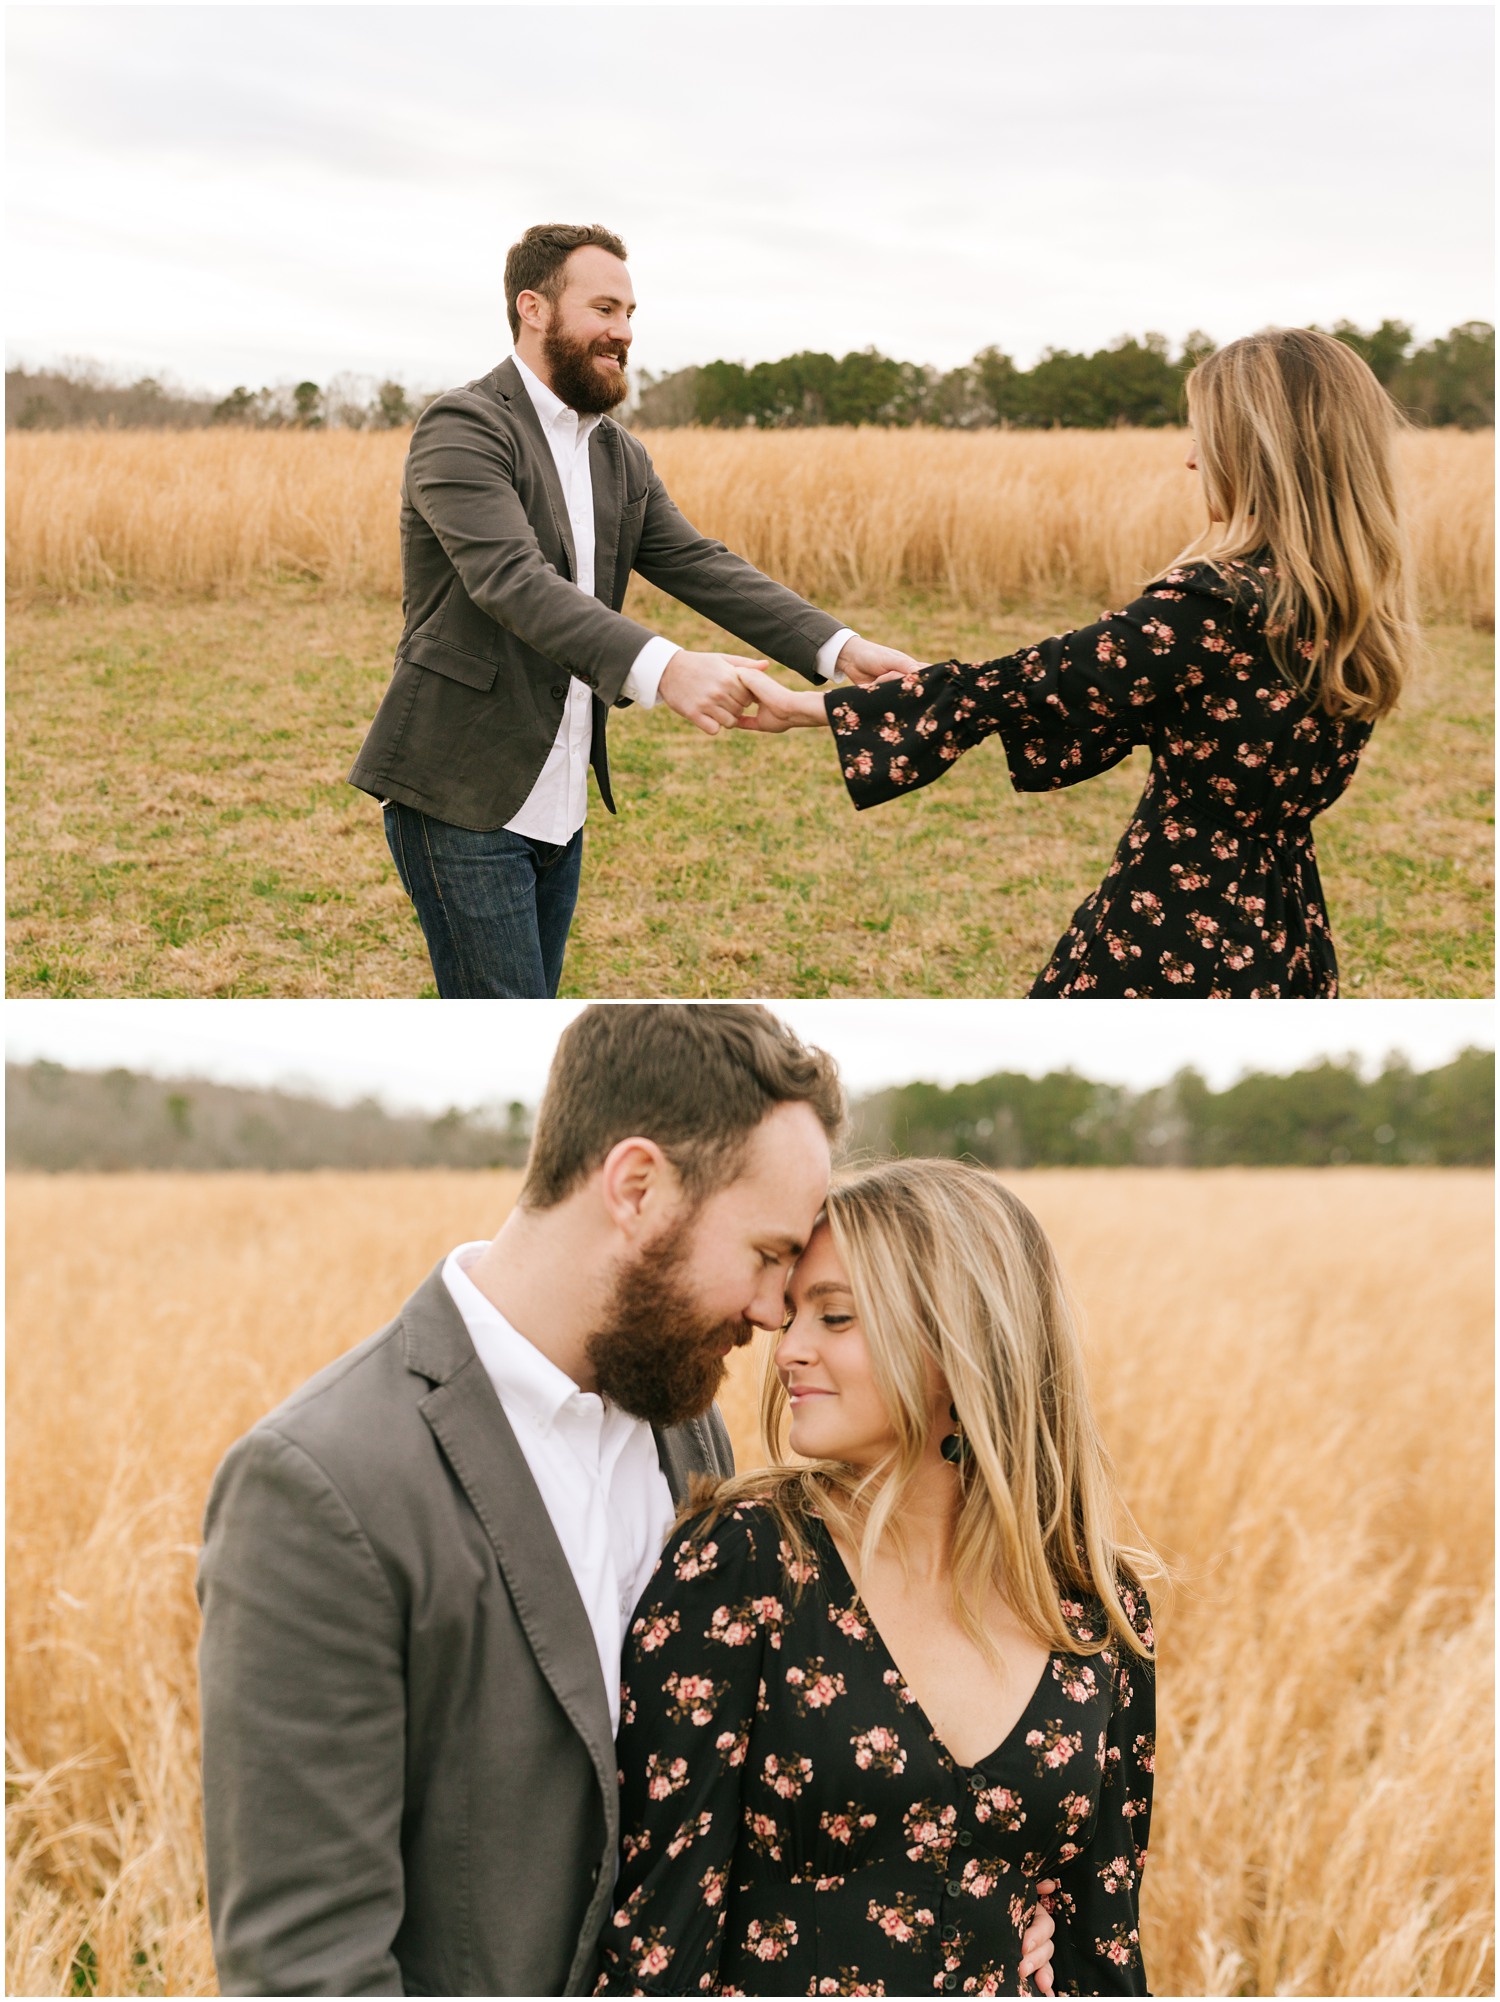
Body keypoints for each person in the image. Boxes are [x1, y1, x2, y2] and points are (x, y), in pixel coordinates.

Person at [196, 1004, 1058, 1995]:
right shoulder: (322, 1484)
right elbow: (306, 1963)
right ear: (637, 1186)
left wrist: (980, 1923)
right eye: (771, 1254)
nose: (775, 1313)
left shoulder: (682, 1423)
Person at [597, 1157, 1158, 1997]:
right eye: (793, 1316)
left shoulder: (1092, 1608)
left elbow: (1104, 1946)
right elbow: (659, 1946)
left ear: (957, 1338)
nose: (787, 1350)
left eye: (835, 1317)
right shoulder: (745, 1566)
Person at [737, 327, 1420, 998]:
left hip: (1179, 925)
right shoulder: (1344, 605)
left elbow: (1037, 684)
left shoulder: (1212, 605)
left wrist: (815, 708)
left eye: (1204, 435)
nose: (1191, 459)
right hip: (1286, 923)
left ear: (1261, 452)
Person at [347, 222, 917, 998]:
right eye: (605, 308)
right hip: (459, 792)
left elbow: (695, 561)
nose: (624, 333)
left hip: (560, 800)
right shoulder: (465, 427)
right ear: (534, 309)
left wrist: (841, 651)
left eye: (631, 314)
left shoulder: (617, 451)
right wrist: (666, 669)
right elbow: (511, 579)